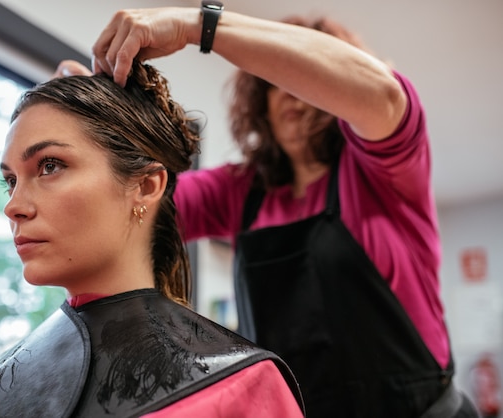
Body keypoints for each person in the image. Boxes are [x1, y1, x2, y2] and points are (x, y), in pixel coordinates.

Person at [55, 4, 481, 418]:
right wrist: (90, 130)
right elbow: (139, 202)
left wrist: (194, 24)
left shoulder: (385, 171)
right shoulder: (241, 190)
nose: (292, 93)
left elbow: (385, 95)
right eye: (277, 83)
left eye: (307, 79)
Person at [0, 62, 305, 417]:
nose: (13, 206)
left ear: (146, 186)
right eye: (10, 181)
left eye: (50, 165)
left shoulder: (236, 387)